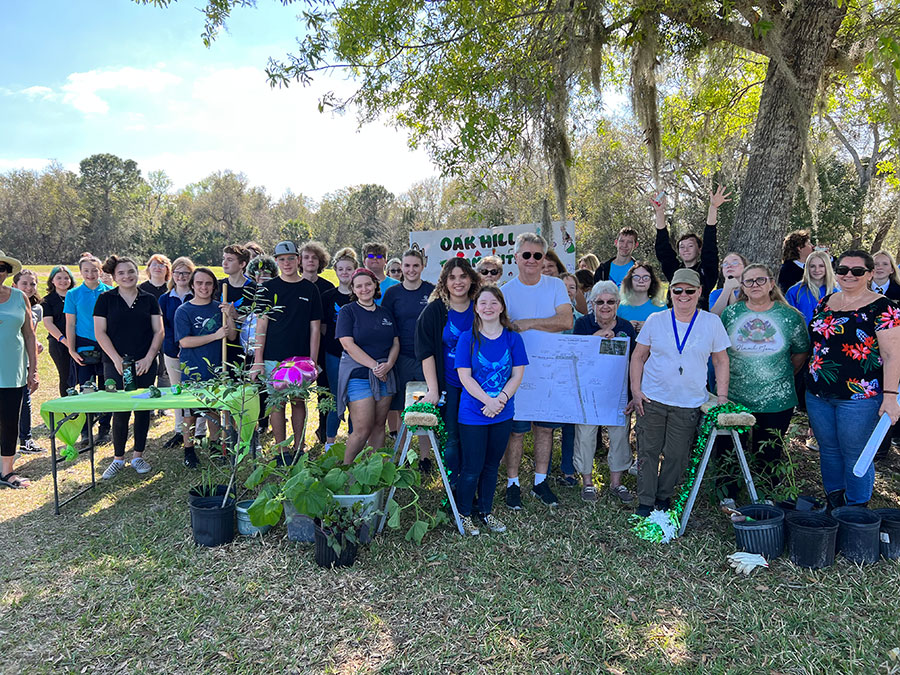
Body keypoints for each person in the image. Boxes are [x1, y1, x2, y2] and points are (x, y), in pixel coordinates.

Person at [630, 268, 731, 517]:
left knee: (676, 455)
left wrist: (722, 396)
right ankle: (645, 501)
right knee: (648, 451)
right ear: (670, 292)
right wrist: (636, 390)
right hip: (652, 398)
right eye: (677, 290)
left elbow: (721, 361)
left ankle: (663, 497)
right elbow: (638, 356)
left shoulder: (711, 322)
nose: (683, 295)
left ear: (699, 292)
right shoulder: (656, 319)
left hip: (689, 402)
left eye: (689, 291)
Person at [806, 250, 900, 508]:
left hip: (860, 396)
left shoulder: (884, 308)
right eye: (843, 270)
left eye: (857, 271)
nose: (849, 275)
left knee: (855, 453)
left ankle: (856, 509)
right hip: (818, 394)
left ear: (869, 274)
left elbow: (893, 356)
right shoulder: (825, 302)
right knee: (829, 450)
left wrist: (891, 398)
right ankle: (835, 502)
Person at [718, 265, 810, 500]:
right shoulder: (731, 314)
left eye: (760, 280)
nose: (755, 285)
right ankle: (727, 494)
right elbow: (720, 353)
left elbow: (800, 353)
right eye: (749, 281)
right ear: (743, 287)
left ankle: (767, 494)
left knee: (769, 451)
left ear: (771, 284)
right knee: (728, 448)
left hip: (776, 399)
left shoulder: (789, 316)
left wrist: (777, 373)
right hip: (735, 395)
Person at [500, 232, 573, 509]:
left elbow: (566, 320)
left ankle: (540, 481)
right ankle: (513, 483)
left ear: (544, 259)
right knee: (516, 431)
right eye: (526, 255)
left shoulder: (554, 285)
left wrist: (529, 323)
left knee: (544, 429)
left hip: (549, 370)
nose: (532, 260)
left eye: (537, 255)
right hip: (516, 372)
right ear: (516, 257)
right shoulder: (505, 291)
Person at [454, 285, 528, 535]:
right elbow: (465, 377)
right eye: (483, 303)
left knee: (491, 465)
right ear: (476, 308)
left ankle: (486, 511)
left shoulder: (512, 337)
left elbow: (518, 374)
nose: (488, 307)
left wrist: (502, 399)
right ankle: (463, 513)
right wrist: (488, 401)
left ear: (502, 307)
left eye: (493, 303)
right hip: (473, 414)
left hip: (503, 413)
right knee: (472, 467)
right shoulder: (468, 338)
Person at [94, 255, 164, 479]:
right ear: (114, 277)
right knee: (120, 410)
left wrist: (149, 357)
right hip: (114, 363)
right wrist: (115, 359)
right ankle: (117, 459)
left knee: (142, 410)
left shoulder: (149, 299)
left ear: (138, 272)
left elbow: (159, 331)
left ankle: (138, 455)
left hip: (144, 363)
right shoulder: (105, 299)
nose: (127, 276)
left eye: (131, 271)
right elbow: (100, 332)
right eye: (121, 273)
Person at [251, 241, 323, 458]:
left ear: (298, 260)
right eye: (282, 259)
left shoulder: (310, 289)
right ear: (277, 261)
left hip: (300, 360)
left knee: (298, 402)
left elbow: (315, 328)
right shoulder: (267, 289)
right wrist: (258, 359)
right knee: (276, 403)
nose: (287, 263)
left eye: (291, 258)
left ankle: (299, 446)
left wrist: (312, 361)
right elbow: (261, 326)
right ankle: (281, 448)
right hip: (273, 357)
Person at [416, 258, 480, 490]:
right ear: (444, 282)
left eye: (463, 276)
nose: (458, 282)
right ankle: (453, 485)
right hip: (450, 384)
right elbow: (425, 352)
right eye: (452, 277)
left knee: (474, 435)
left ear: (471, 278)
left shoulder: (481, 306)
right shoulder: (435, 310)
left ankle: (472, 481)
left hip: (479, 384)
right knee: (452, 435)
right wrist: (433, 389)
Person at [573, 281, 637, 503]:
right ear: (592, 304)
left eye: (611, 301)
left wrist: (633, 394)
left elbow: (635, 363)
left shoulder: (627, 328)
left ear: (618, 304)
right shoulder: (582, 324)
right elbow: (574, 354)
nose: (605, 306)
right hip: (588, 392)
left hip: (618, 392)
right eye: (600, 302)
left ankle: (616, 483)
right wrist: (597, 337)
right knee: (585, 436)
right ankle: (588, 483)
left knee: (620, 436)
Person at [175, 267, 238, 468]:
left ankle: (214, 444)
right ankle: (189, 449)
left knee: (213, 408)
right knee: (190, 412)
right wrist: (214, 335)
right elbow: (184, 342)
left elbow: (233, 336)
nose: (204, 287)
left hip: (217, 367)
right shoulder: (184, 310)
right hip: (192, 367)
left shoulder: (220, 308)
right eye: (200, 283)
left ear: (214, 286)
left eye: (208, 283)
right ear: (192, 285)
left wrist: (231, 316)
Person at [335, 268, 399, 464]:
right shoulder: (348, 311)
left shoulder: (385, 312)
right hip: (359, 376)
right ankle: (347, 471)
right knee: (362, 429)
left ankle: (373, 471)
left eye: (368, 284)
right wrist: (374, 366)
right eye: (359, 286)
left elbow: (395, 342)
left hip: (385, 376)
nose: (364, 289)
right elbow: (347, 344)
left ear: (375, 286)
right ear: (353, 289)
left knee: (380, 425)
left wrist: (388, 365)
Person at [382, 249, 436, 459]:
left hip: (426, 358)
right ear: (401, 267)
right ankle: (402, 455)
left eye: (415, 265)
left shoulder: (432, 292)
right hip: (400, 357)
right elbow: (386, 325)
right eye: (407, 266)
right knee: (399, 408)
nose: (411, 270)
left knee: (424, 406)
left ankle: (424, 457)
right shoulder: (393, 294)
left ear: (423, 266)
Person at [652, 186, 728, 308]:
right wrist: (659, 212)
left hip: (699, 321)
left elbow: (710, 246)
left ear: (699, 250)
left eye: (690, 245)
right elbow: (663, 249)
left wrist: (713, 208)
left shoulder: (707, 271)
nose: (685, 249)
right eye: (682, 247)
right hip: (673, 320)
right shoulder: (674, 270)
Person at [0, 251, 38, 489]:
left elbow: (29, 336)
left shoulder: (19, 296)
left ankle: (7, 472)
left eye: (1, 268)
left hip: (12, 371)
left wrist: (33, 370)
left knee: (9, 421)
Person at [65, 255, 112, 446]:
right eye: (86, 271)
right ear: (81, 272)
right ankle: (86, 431)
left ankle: (104, 429)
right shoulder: (73, 294)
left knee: (108, 388)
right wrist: (71, 349)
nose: (91, 274)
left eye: (94, 270)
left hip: (107, 343)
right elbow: (70, 324)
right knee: (86, 389)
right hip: (84, 344)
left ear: (100, 271)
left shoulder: (110, 292)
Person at [158, 256, 197, 449]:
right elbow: (164, 326)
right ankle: (180, 431)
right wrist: (177, 346)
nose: (181, 276)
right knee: (178, 392)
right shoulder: (165, 299)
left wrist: (188, 346)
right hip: (172, 351)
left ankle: (199, 432)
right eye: (178, 272)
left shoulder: (197, 296)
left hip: (196, 351)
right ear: (172, 274)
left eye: (186, 273)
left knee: (197, 391)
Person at [321, 248, 358, 447]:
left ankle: (354, 438)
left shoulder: (360, 294)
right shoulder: (328, 296)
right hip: (334, 354)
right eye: (341, 269)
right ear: (335, 270)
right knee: (337, 396)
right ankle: (330, 442)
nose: (345, 272)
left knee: (355, 397)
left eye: (349, 269)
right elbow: (324, 326)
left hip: (357, 355)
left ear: (355, 270)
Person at [300, 241, 335, 444]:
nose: (310, 261)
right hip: (297, 345)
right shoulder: (294, 284)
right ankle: (298, 438)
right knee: (297, 394)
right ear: (300, 261)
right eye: (306, 257)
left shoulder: (327, 288)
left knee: (324, 392)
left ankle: (323, 431)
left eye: (314, 257)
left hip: (323, 347)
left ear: (320, 261)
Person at [13, 270, 45, 455]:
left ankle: (26, 439)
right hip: (9, 357)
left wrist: (36, 344)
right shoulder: (8, 303)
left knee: (25, 399)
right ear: (15, 285)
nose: (29, 287)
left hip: (25, 359)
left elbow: (30, 333)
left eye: (32, 284)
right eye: (24, 283)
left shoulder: (37, 309)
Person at [219, 244, 256, 375]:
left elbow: (257, 323)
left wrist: (235, 315)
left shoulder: (253, 289)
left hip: (245, 350)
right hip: (221, 346)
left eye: (230, 260)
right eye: (224, 259)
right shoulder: (218, 286)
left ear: (242, 264)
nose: (224, 263)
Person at [41, 265, 76, 398]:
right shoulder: (47, 300)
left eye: (66, 278)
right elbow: (48, 323)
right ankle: (68, 409)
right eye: (59, 278)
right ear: (52, 281)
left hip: (79, 340)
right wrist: (65, 341)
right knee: (66, 377)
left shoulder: (75, 296)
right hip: (59, 343)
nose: (63, 281)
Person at [140, 254, 173, 393]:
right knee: (149, 368)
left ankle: (163, 404)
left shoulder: (171, 290)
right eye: (154, 264)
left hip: (168, 335)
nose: (158, 268)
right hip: (146, 336)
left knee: (165, 371)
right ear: (148, 268)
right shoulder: (140, 290)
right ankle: (148, 405)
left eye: (162, 265)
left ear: (168, 270)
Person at [786, 250, 837, 324]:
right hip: (803, 334)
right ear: (807, 268)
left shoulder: (835, 292)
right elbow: (788, 320)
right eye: (812, 266)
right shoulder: (794, 292)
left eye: (821, 266)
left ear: (827, 267)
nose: (817, 270)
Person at [617, 262, 666, 333]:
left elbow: (668, 333)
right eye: (636, 277)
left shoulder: (661, 307)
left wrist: (650, 327)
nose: (641, 281)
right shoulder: (619, 307)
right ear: (629, 281)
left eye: (646, 278)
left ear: (651, 281)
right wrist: (626, 327)